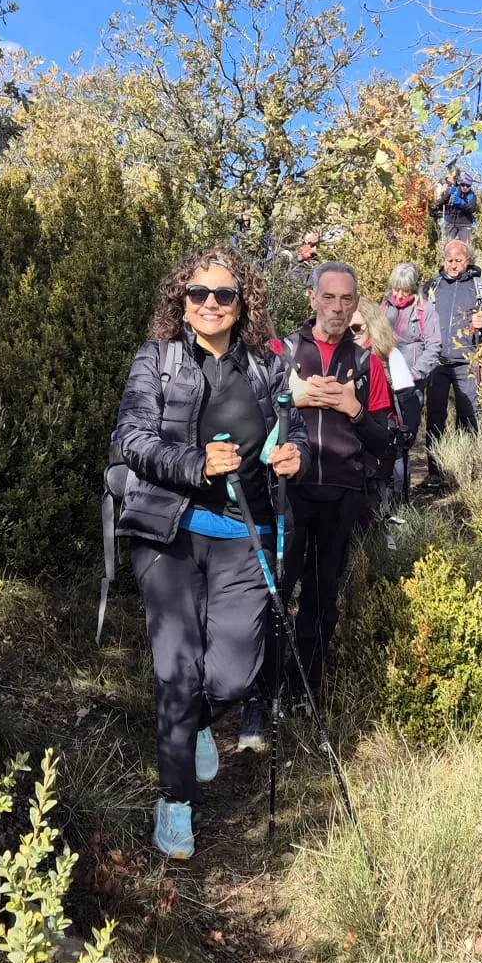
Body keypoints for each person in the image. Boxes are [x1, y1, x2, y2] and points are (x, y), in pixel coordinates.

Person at [113, 245, 308, 860]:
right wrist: (196, 465)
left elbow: (295, 429)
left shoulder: (268, 366)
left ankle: (197, 723)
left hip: (243, 535)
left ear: (242, 303)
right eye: (199, 293)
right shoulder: (157, 359)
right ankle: (175, 804)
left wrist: (294, 455)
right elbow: (131, 438)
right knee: (178, 671)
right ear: (183, 300)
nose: (210, 304)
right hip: (166, 532)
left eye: (224, 294)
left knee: (232, 674)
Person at [238, 261, 392, 746]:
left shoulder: (368, 364)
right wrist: (293, 397)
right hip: (287, 492)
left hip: (341, 495)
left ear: (356, 304)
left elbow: (388, 443)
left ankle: (305, 689)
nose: (337, 308)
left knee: (323, 599)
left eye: (347, 299)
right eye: (328, 297)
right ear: (312, 299)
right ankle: (261, 698)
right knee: (275, 593)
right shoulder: (280, 354)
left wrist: (354, 409)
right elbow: (249, 421)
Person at [424, 239, 482, 485]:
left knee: (468, 416)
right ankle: (436, 472)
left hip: (467, 362)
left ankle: (467, 472)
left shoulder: (480, 288)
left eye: (458, 260)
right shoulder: (432, 287)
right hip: (437, 362)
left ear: (468, 261)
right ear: (443, 260)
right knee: (435, 417)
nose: (453, 265)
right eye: (449, 260)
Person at [348, 296, 412, 528]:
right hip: (356, 447)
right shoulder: (345, 357)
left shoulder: (388, 358)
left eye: (357, 328)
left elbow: (407, 405)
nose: (352, 333)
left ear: (372, 325)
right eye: (346, 328)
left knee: (383, 502)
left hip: (383, 442)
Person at [381, 264, 441, 502]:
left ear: (414, 288)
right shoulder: (385, 307)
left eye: (404, 290)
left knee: (405, 439)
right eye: (395, 289)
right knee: (387, 437)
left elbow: (434, 346)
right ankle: (388, 496)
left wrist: (415, 373)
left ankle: (402, 497)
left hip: (411, 385)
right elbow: (375, 340)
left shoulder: (426, 310)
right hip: (385, 382)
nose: (398, 295)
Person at [430, 168, 480, 244]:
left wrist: (462, 203)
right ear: (460, 184)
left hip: (465, 224)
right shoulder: (454, 190)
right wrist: (448, 194)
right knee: (449, 244)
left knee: (464, 245)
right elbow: (440, 203)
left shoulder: (472, 195)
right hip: (452, 223)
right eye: (463, 185)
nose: (465, 187)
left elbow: (472, 209)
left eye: (468, 186)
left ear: (470, 186)